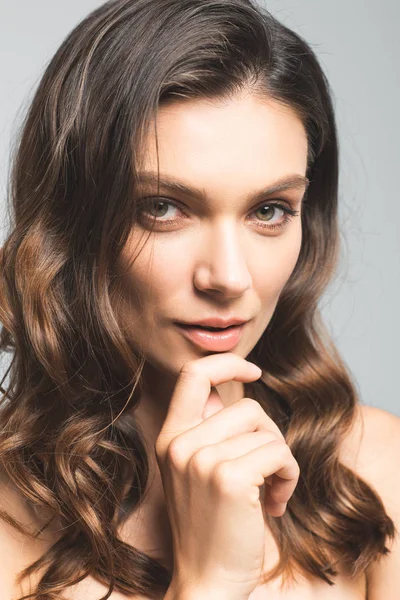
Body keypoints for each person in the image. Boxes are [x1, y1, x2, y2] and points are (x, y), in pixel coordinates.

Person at [0, 0, 398, 598]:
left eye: (269, 211)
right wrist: (213, 581)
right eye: (163, 208)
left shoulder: (371, 471)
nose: (230, 276)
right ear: (73, 223)